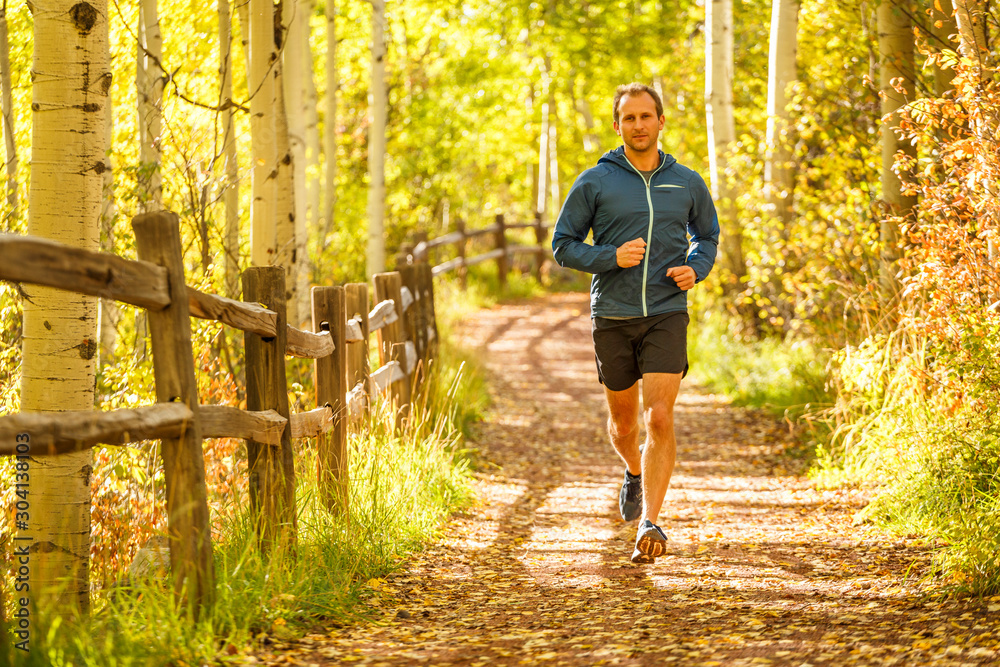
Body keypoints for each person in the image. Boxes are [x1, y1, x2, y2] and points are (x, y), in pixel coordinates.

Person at [551, 82, 719, 564]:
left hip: (667, 310)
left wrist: (696, 267)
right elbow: (563, 244)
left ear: (661, 121)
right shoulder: (596, 182)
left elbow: (706, 235)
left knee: (659, 417)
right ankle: (632, 470)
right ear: (617, 125)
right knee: (625, 426)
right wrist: (611, 256)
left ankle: (651, 520)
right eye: (630, 118)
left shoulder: (686, 181)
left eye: (647, 116)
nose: (639, 125)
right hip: (614, 315)